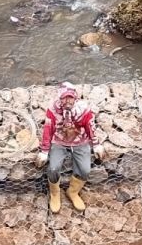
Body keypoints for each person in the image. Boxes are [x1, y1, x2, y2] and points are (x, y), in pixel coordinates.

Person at [35, 83, 105, 213]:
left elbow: (90, 126)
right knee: (53, 168)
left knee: (85, 169)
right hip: (59, 140)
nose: (67, 101)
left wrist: (96, 144)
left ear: (75, 98)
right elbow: (48, 129)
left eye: (70, 97)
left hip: (80, 140)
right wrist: (44, 151)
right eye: (64, 98)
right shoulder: (52, 109)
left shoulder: (84, 109)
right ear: (59, 98)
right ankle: (55, 194)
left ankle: (72, 192)